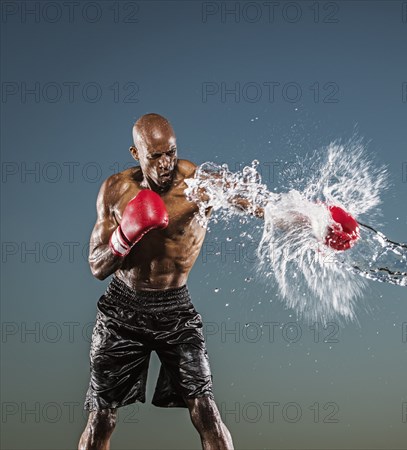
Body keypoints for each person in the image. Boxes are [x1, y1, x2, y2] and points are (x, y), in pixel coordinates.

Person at [79, 113, 358, 450]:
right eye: (155, 156)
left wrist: (316, 224)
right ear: (136, 154)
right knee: (101, 418)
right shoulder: (115, 190)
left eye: (171, 152)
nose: (166, 163)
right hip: (121, 310)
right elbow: (97, 265)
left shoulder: (198, 185)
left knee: (206, 411)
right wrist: (125, 235)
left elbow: (260, 204)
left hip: (174, 309)